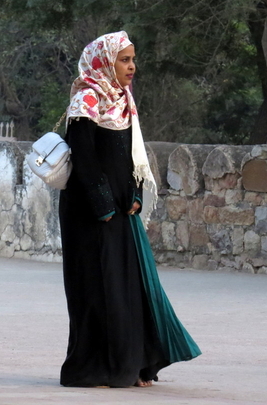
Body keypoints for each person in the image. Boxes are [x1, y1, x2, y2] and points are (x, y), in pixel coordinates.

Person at [58, 31, 201, 388]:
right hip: (91, 215)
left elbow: (132, 156)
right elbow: (85, 158)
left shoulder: (123, 99)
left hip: (123, 213)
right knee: (96, 290)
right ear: (105, 62)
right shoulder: (87, 100)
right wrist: (104, 206)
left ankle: (133, 365)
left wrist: (136, 194)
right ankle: (94, 369)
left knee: (128, 288)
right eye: (124, 59)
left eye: (133, 59)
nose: (131, 66)